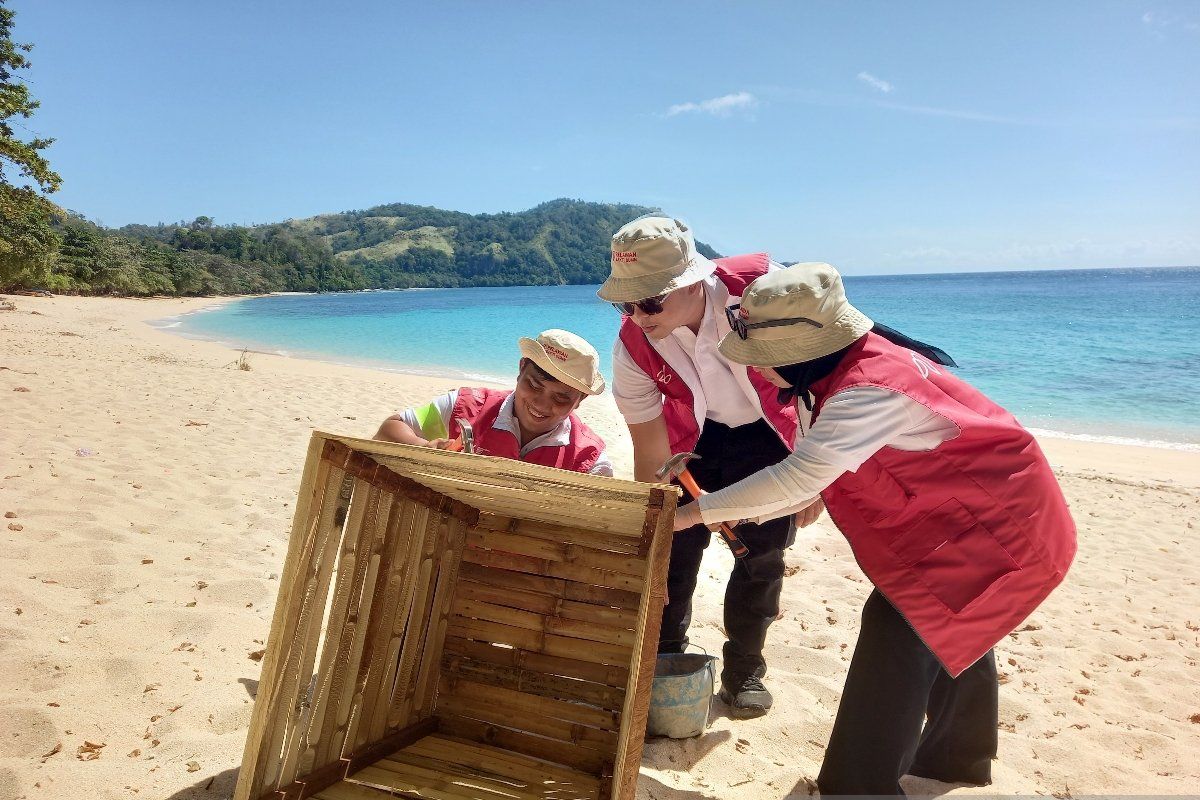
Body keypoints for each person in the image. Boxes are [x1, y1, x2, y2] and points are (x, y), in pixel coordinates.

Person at [671, 262, 1077, 795]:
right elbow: (810, 479)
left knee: (902, 618)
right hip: (963, 519)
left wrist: (693, 513)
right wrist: (754, 506)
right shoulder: (832, 372)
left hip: (1006, 524)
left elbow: (796, 478)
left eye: (763, 359)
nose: (755, 370)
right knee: (954, 619)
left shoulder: (870, 390)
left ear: (804, 350)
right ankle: (957, 759)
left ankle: (856, 787)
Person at [598, 215, 822, 718]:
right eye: (624, 302)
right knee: (672, 550)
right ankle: (667, 655)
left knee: (761, 559)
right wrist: (653, 519)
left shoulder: (764, 295)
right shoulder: (632, 345)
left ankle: (745, 670)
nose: (637, 315)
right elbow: (650, 448)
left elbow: (821, 384)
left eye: (650, 300)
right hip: (692, 440)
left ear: (693, 278)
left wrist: (816, 479)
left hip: (769, 435)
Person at [375, 329, 614, 476]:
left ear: (580, 400)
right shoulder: (464, 405)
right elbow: (389, 429)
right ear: (521, 368)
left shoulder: (590, 459)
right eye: (534, 385)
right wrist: (424, 447)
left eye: (560, 397)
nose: (541, 404)